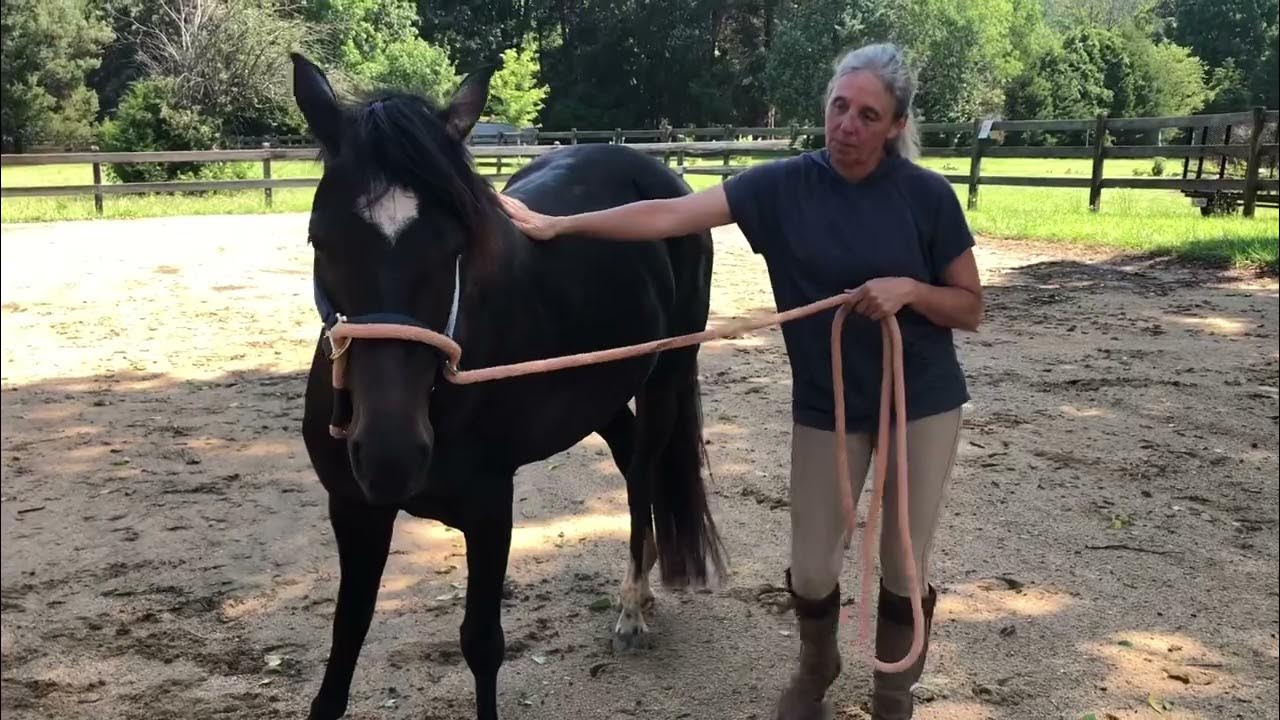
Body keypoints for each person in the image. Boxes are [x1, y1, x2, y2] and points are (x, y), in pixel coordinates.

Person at [499, 42, 983, 720]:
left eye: (867, 116)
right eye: (839, 107)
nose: (846, 126)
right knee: (811, 567)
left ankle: (892, 693)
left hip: (920, 401)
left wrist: (911, 291)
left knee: (904, 562)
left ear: (896, 125)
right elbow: (668, 215)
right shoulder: (782, 186)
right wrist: (561, 224)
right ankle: (817, 665)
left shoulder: (926, 197)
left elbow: (970, 305)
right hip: (827, 402)